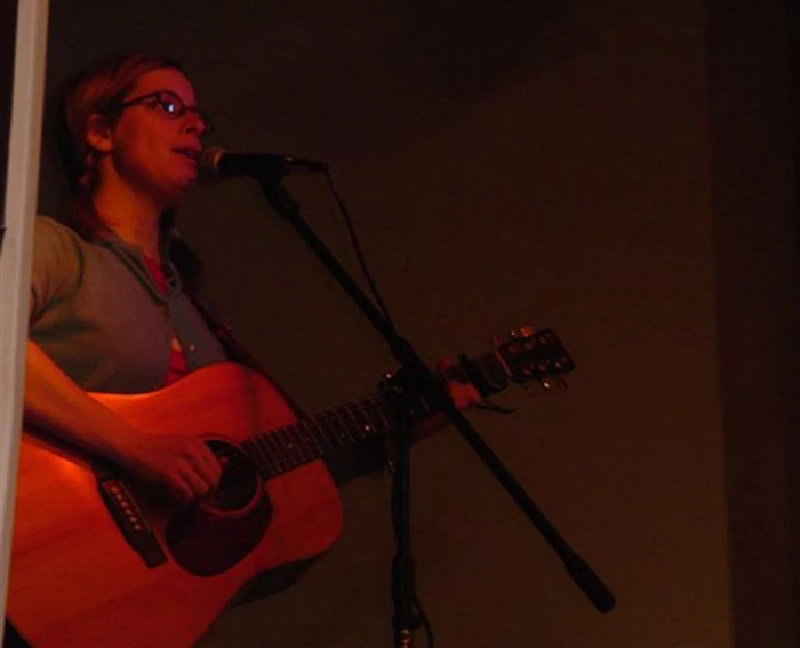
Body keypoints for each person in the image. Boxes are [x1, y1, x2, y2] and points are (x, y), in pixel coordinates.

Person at [5, 52, 480, 647]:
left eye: (200, 115)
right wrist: (137, 450)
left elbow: (254, 466)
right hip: (27, 557)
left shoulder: (198, 317)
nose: (197, 126)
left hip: (122, 617)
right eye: (169, 106)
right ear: (99, 132)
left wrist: (397, 430)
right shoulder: (56, 250)